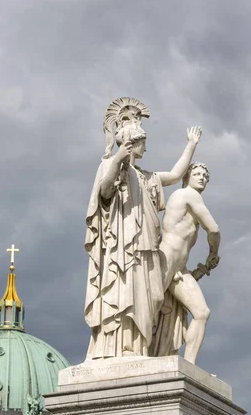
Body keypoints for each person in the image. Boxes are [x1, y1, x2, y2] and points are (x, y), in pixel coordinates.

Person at [84, 97, 202, 359]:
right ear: (132, 144)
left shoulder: (147, 176)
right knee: (123, 292)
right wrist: (117, 159)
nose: (146, 150)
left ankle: (138, 347)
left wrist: (191, 145)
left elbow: (174, 174)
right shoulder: (111, 166)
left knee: (152, 299)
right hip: (123, 248)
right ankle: (119, 348)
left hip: (148, 246)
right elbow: (104, 193)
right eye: (143, 144)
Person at [152, 163, 220, 364]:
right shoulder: (188, 195)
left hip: (178, 267)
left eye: (205, 176)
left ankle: (188, 367)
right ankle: (135, 352)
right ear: (187, 177)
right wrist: (213, 254)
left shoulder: (191, 199)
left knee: (201, 313)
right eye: (197, 174)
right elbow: (214, 230)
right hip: (166, 259)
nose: (202, 178)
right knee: (151, 308)